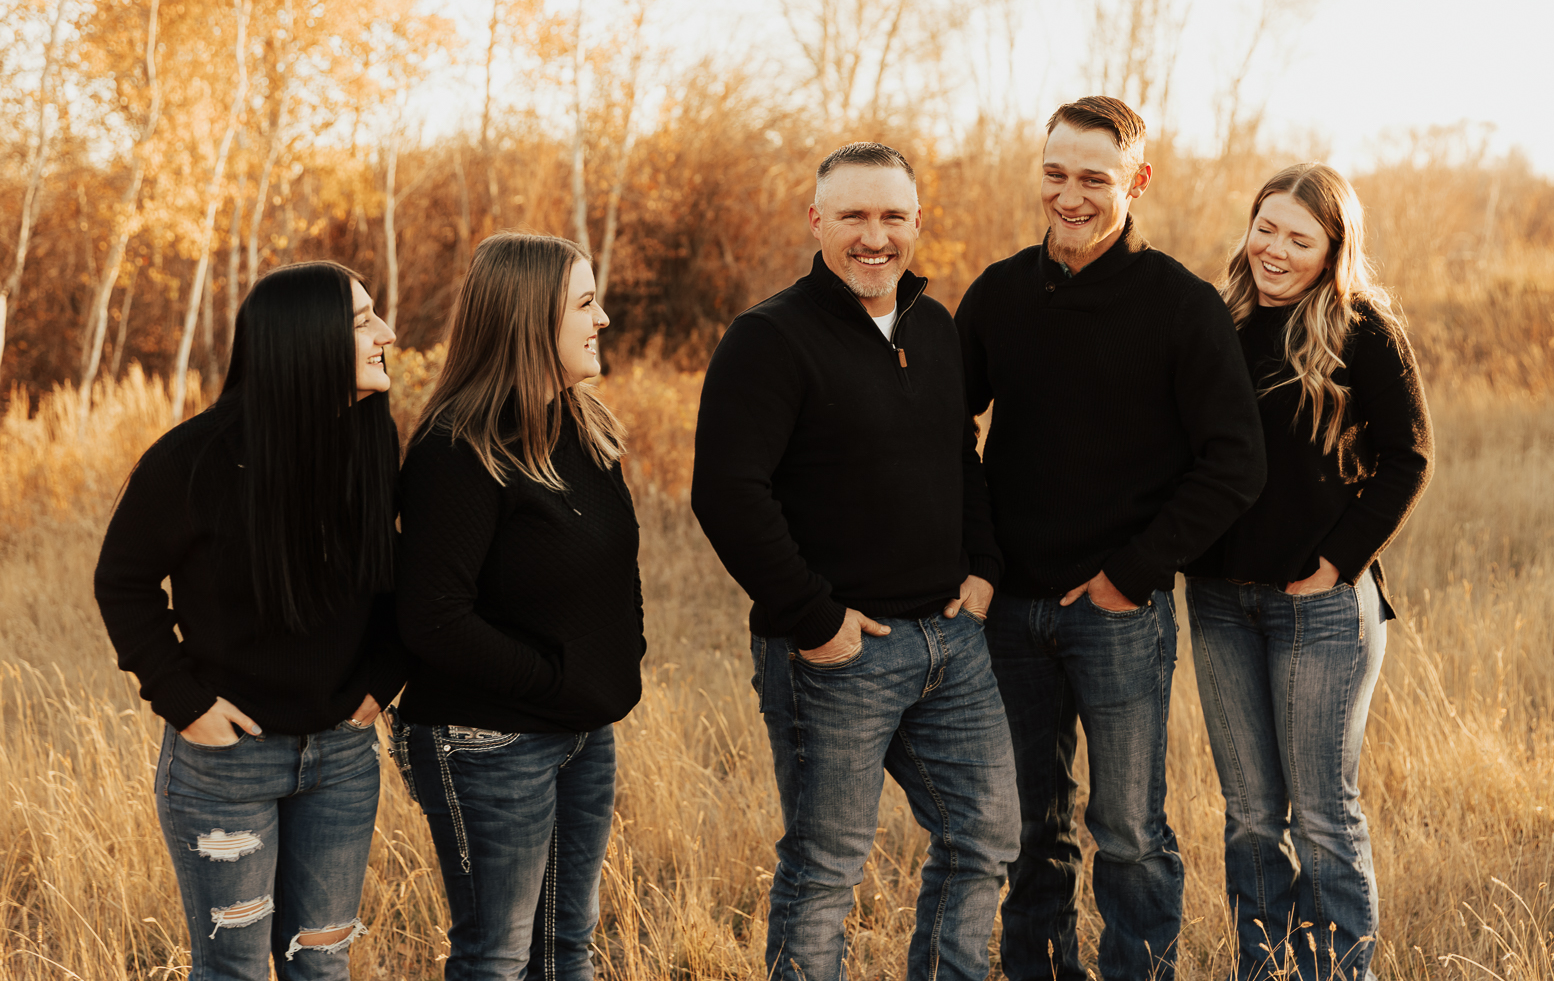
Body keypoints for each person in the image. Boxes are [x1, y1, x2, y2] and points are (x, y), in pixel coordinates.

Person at [954, 96, 1267, 981]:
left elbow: (1234, 463)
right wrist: (980, 562)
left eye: (1094, 177)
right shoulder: (1000, 293)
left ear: (1138, 178)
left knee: (1128, 833)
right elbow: (942, 428)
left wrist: (1131, 574)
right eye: (1056, 174)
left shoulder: (1180, 304)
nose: (1071, 195)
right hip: (1009, 614)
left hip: (1119, 616)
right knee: (1028, 831)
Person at [692, 141, 1020, 981]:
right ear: (817, 221)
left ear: (917, 224)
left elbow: (961, 453)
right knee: (826, 870)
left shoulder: (934, 325)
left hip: (952, 642)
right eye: (854, 216)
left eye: (892, 217)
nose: (875, 237)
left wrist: (982, 567)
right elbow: (728, 493)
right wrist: (814, 618)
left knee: (984, 836)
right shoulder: (768, 339)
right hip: (839, 654)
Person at [94, 262, 403, 979]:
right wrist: (184, 701)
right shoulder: (194, 459)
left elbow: (396, 578)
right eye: (362, 321)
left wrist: (382, 678)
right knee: (232, 969)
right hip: (226, 766)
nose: (386, 333)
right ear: (306, 341)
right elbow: (124, 580)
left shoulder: (371, 442)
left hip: (342, 761)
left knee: (321, 967)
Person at [1185, 162, 1433, 981]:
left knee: (1323, 813)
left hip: (1321, 608)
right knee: (1253, 815)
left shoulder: (1361, 328)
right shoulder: (1215, 323)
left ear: (1333, 248)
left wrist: (1336, 562)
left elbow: (1409, 458)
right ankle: (1262, 969)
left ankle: (1336, 972)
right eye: (1267, 227)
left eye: (1300, 237)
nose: (1277, 249)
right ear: (1248, 226)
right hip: (1220, 601)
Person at [388, 232, 643, 981]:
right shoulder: (456, 448)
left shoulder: (586, 428)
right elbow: (433, 616)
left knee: (567, 947)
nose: (602, 320)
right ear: (531, 317)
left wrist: (618, 661)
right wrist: (555, 682)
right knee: (497, 957)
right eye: (586, 303)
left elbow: (615, 569)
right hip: (486, 739)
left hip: (581, 733)